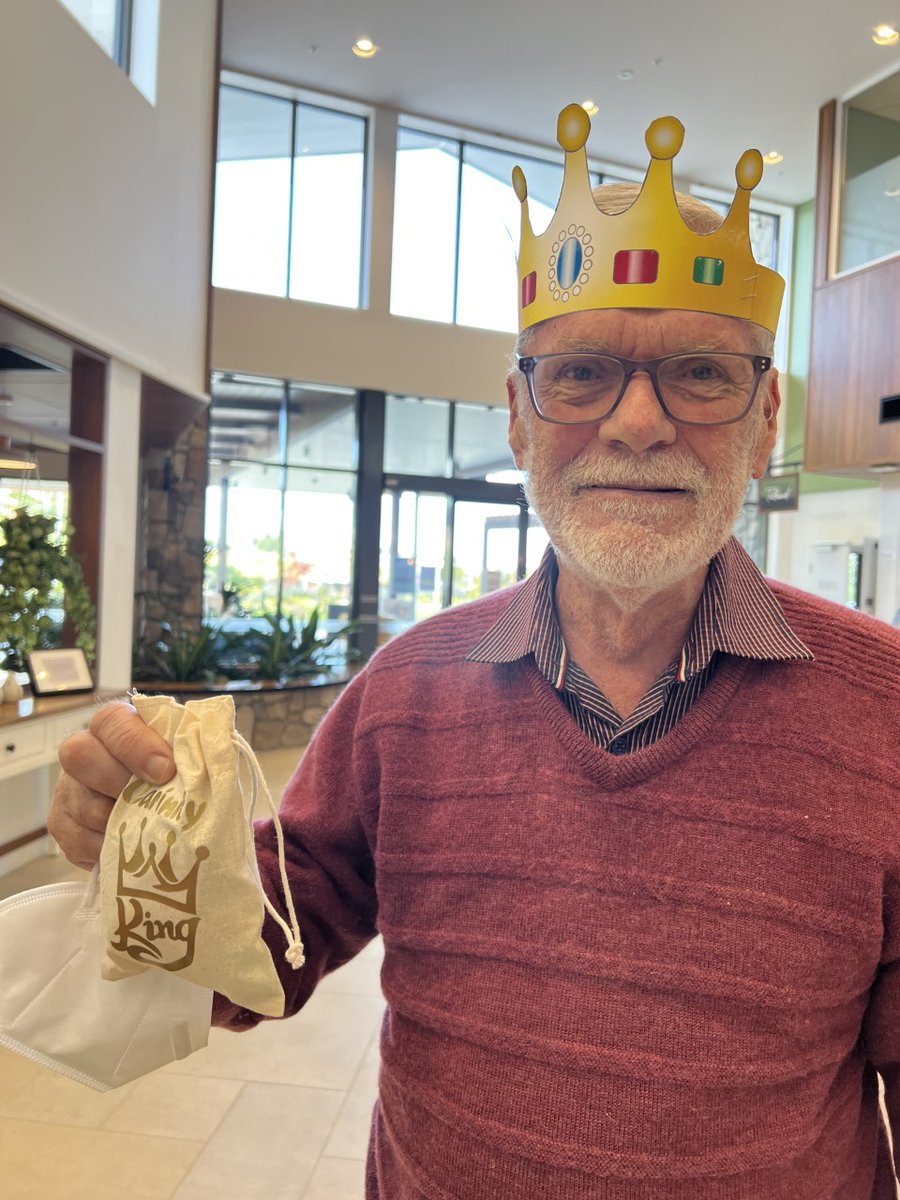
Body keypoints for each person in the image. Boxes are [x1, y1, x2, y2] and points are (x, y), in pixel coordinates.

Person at [50, 106, 900, 1198]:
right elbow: (261, 951)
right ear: (516, 415)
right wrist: (139, 851)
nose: (637, 424)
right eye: (581, 374)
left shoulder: (883, 713)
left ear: (767, 415)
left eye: (700, 374)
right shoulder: (408, 693)